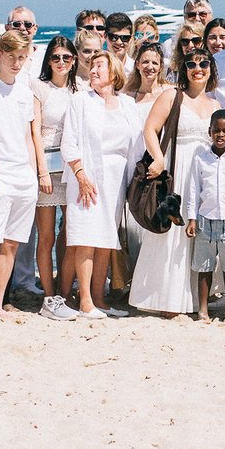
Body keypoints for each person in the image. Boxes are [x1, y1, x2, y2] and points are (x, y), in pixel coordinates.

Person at [129, 43, 219, 317]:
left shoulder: (215, 104)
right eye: (192, 64)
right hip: (176, 169)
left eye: (204, 64)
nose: (198, 69)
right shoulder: (172, 96)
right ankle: (163, 299)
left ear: (211, 70)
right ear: (184, 69)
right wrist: (158, 159)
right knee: (170, 235)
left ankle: (194, 300)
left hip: (203, 174)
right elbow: (150, 129)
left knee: (198, 235)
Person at [0, 30, 48, 325]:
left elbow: (30, 135)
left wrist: (32, 172)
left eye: (21, 58)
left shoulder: (25, 91)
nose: (16, 63)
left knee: (11, 245)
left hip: (22, 177)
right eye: (11, 56)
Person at [61, 49, 138, 318]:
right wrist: (81, 175)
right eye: (91, 66)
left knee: (106, 238)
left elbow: (136, 145)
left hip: (116, 178)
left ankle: (99, 299)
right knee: (85, 236)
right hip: (88, 174)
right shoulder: (81, 100)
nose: (93, 71)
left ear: (114, 72)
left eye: (99, 66)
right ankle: (84, 301)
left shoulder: (127, 104)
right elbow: (68, 141)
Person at [185, 109, 225, 321]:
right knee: (204, 266)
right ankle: (202, 309)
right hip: (205, 219)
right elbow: (194, 189)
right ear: (209, 131)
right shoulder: (201, 158)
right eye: (216, 131)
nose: (220, 135)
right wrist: (192, 218)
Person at [32, 36, 78, 320]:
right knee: (46, 235)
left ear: (74, 61)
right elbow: (34, 132)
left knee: (72, 233)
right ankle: (48, 297)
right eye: (56, 57)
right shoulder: (39, 88)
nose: (61, 62)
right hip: (47, 166)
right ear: (48, 60)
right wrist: (41, 171)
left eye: (67, 57)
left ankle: (64, 291)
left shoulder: (79, 89)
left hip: (72, 168)